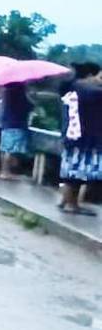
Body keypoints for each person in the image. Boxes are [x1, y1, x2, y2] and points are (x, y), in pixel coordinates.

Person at [59, 63, 102, 216]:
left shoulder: (72, 88)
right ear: (89, 76)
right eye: (99, 77)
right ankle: (71, 204)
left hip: (72, 136)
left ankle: (66, 201)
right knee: (77, 173)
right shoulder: (86, 90)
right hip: (83, 139)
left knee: (71, 170)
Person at [0, 81, 33, 181]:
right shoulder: (19, 94)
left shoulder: (6, 93)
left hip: (6, 124)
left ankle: (4, 171)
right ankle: (6, 172)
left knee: (5, 149)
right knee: (11, 150)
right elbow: (28, 106)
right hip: (16, 125)